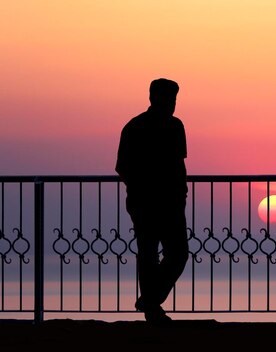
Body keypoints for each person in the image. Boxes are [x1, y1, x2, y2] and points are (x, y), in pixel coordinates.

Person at [115, 78, 189, 323]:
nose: (172, 104)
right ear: (153, 98)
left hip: (170, 202)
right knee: (149, 253)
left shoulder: (176, 126)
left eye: (174, 99)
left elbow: (179, 164)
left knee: (176, 253)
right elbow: (123, 166)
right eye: (168, 99)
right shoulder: (135, 127)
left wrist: (181, 194)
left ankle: (150, 299)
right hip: (146, 202)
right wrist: (142, 189)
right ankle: (151, 307)